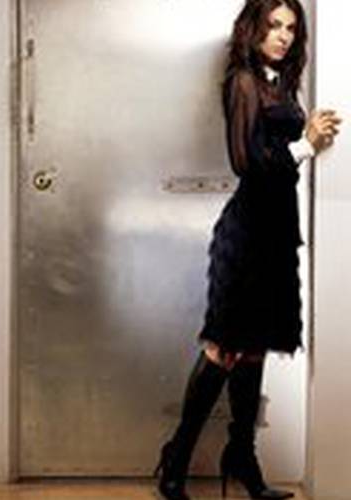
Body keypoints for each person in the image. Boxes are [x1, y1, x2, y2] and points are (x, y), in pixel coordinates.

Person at [154, 1, 342, 499]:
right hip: (247, 235)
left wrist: (302, 139)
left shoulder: (281, 82)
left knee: (255, 348)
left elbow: (274, 156)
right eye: (273, 25)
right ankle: (176, 456)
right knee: (224, 348)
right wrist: (306, 144)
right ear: (253, 29)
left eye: (291, 28)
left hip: (277, 234)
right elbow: (245, 163)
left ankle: (241, 455)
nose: (283, 35)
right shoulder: (242, 81)